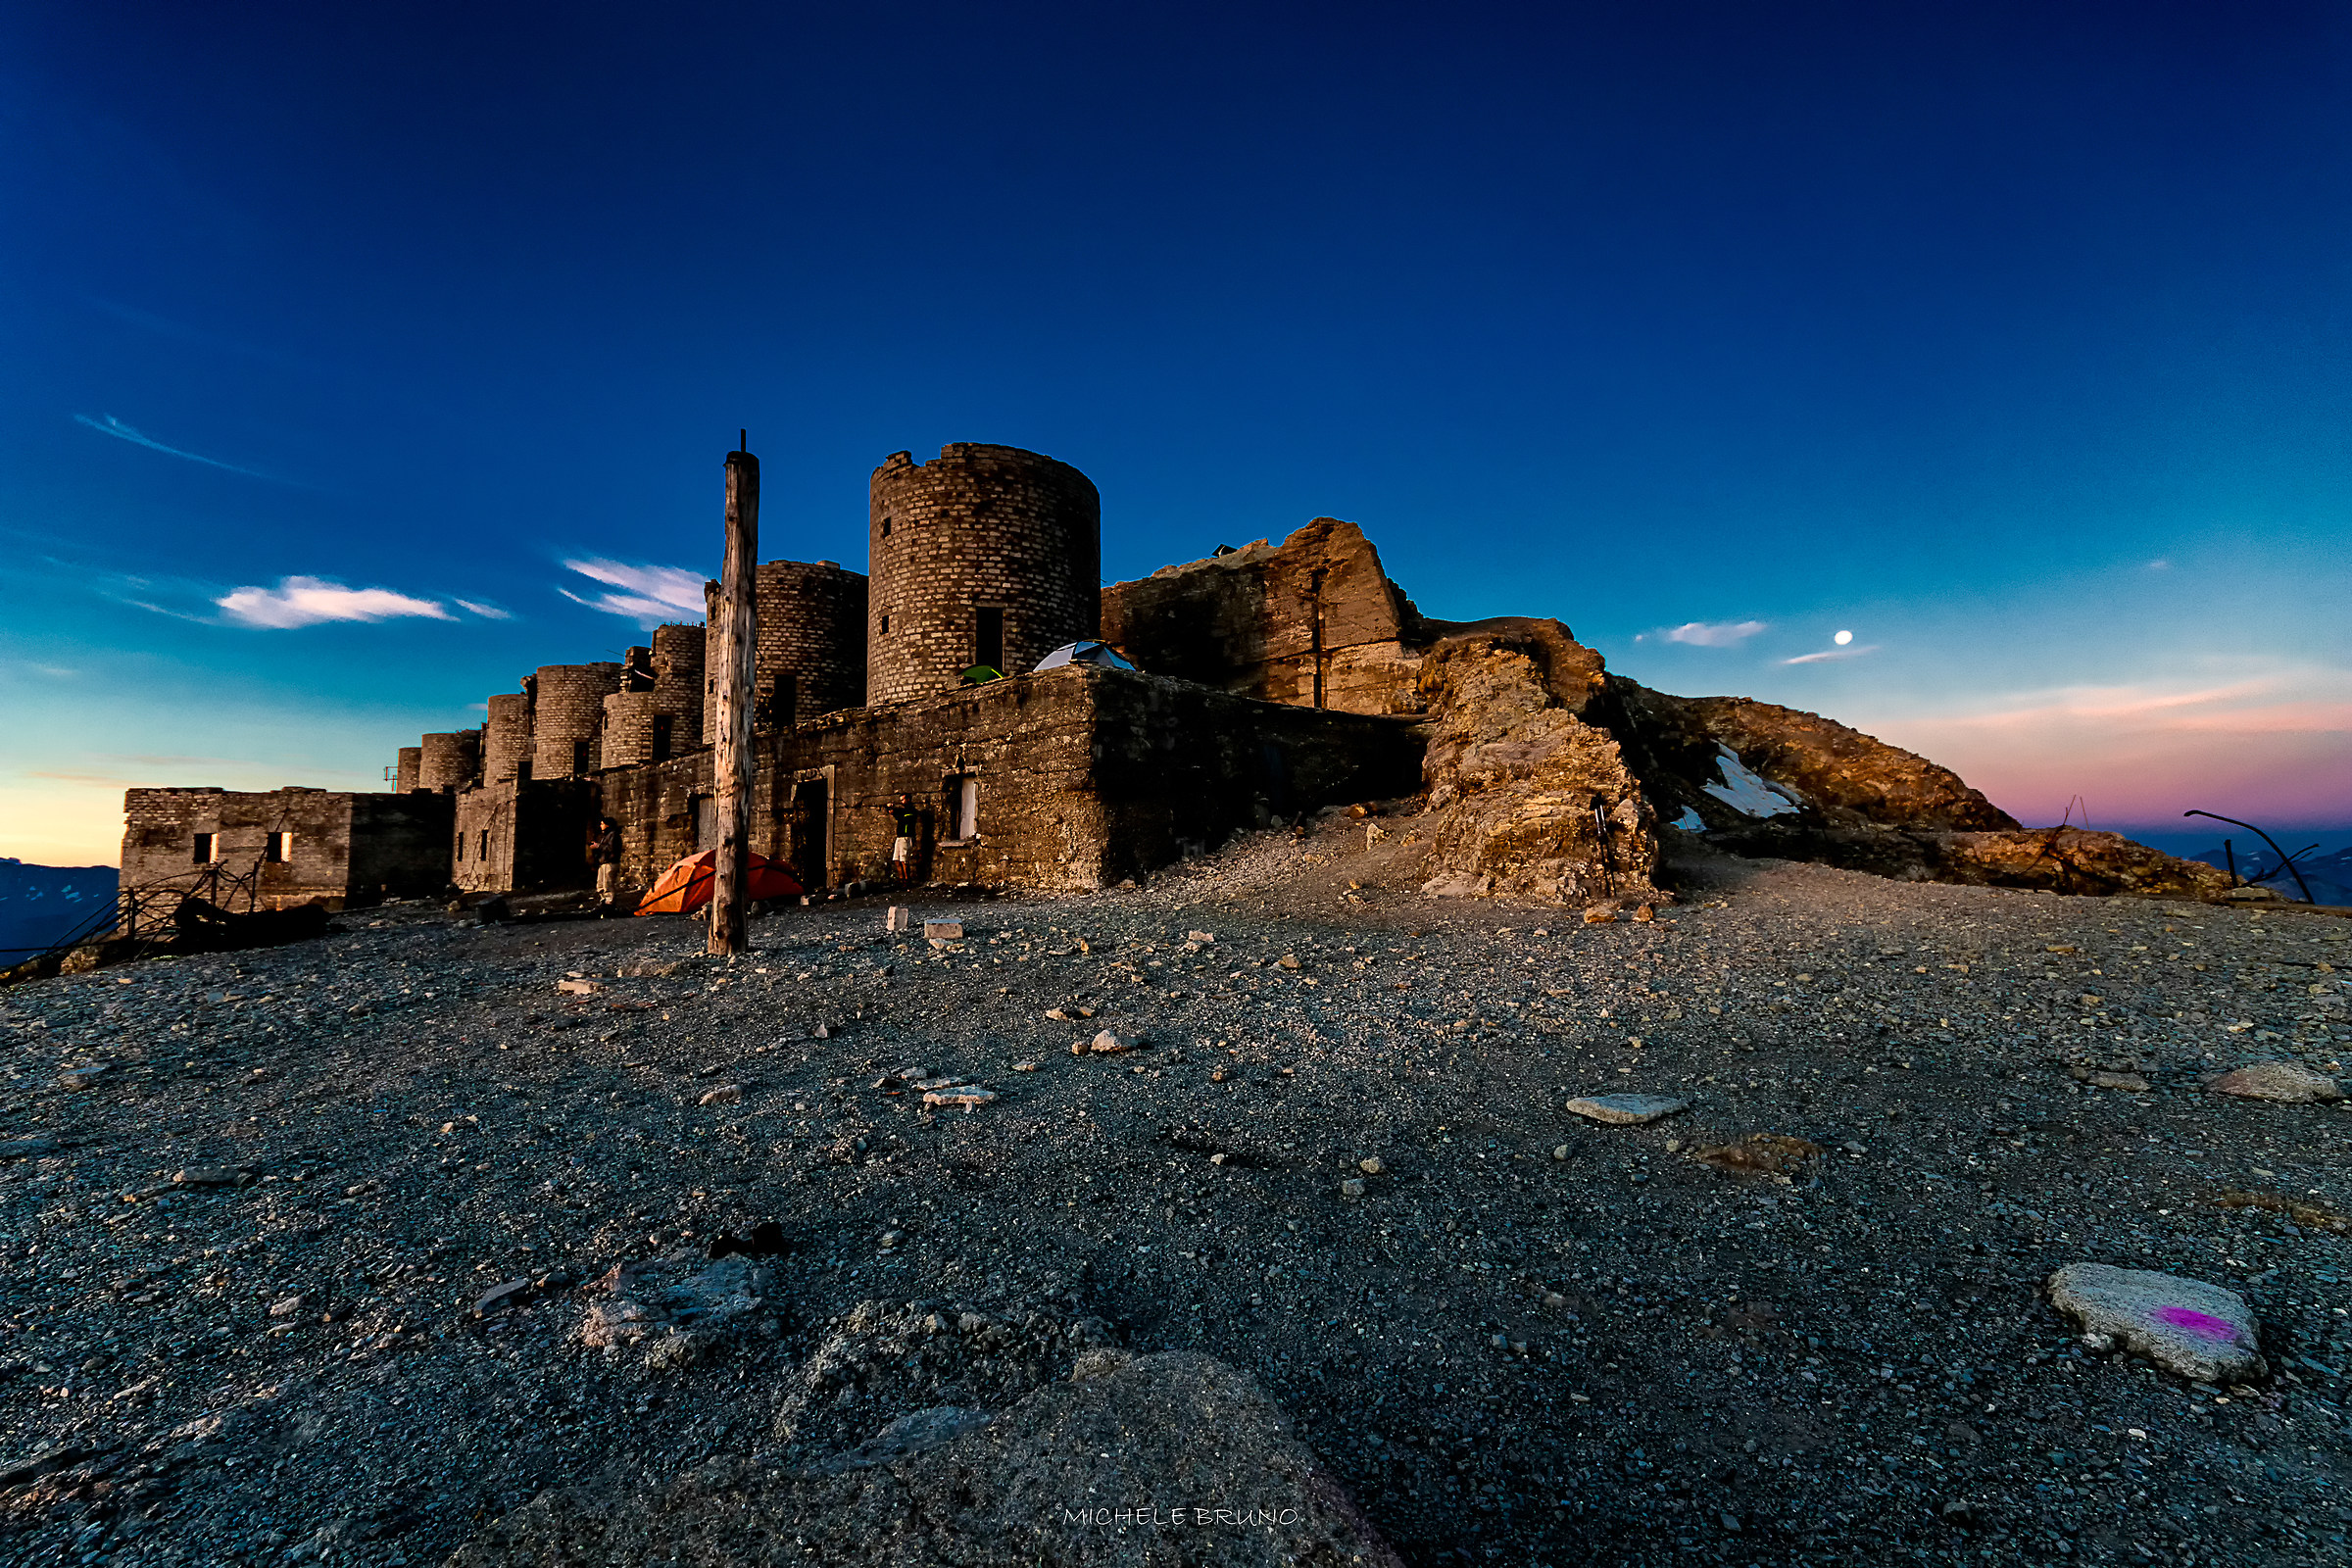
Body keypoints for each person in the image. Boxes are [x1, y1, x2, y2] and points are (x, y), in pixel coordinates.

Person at [887, 794, 922, 885]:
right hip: (899, 837)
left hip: (906, 837)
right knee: (896, 860)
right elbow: (894, 813)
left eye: (903, 800)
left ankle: (907, 880)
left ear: (908, 799)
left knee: (904, 860)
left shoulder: (911, 811)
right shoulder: (902, 811)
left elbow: (905, 818)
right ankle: (901, 878)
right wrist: (890, 809)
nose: (902, 802)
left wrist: (896, 811)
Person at [588, 816, 622, 907]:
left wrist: (598, 846)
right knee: (600, 885)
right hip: (603, 862)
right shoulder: (605, 835)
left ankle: (609, 902)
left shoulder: (613, 835)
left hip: (610, 862)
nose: (600, 826)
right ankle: (603, 901)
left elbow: (611, 848)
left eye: (602, 824)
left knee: (608, 884)